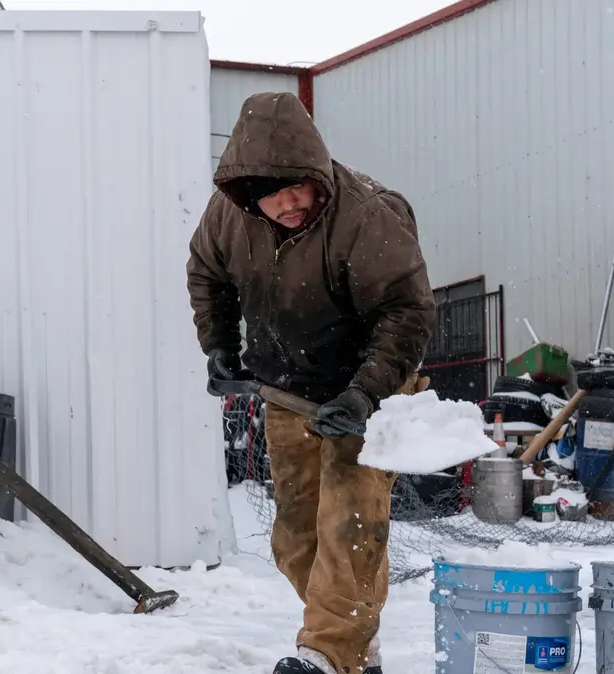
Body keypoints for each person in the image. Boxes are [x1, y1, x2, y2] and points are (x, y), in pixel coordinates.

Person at [186, 91, 437, 674]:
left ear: (316, 171)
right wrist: (220, 346)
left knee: (349, 525)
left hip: (367, 391)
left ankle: (325, 654)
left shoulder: (367, 214)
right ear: (248, 193)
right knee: (295, 540)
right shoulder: (227, 217)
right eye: (273, 192)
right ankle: (356, 645)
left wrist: (365, 393)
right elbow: (206, 273)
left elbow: (408, 308)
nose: (291, 200)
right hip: (288, 391)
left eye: (299, 184)